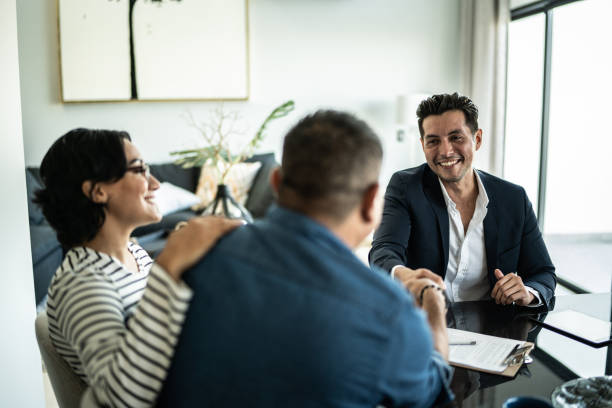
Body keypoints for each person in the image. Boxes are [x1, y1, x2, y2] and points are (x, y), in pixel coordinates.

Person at [157, 110, 453, 407]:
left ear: (275, 182)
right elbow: (432, 392)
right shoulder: (388, 312)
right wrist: (434, 307)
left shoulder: (194, 257)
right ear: (370, 201)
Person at [36, 128, 242, 407]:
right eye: (139, 170)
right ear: (98, 191)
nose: (155, 184)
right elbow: (122, 399)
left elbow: (159, 330)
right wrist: (169, 264)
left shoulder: (133, 253)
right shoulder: (83, 282)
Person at [369, 93, 556, 309]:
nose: (445, 151)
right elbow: (383, 252)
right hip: (424, 322)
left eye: (456, 138)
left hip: (495, 331)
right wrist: (407, 277)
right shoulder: (405, 187)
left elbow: (543, 273)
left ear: (477, 139)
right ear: (423, 145)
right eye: (433, 141)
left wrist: (528, 292)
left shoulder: (513, 198)